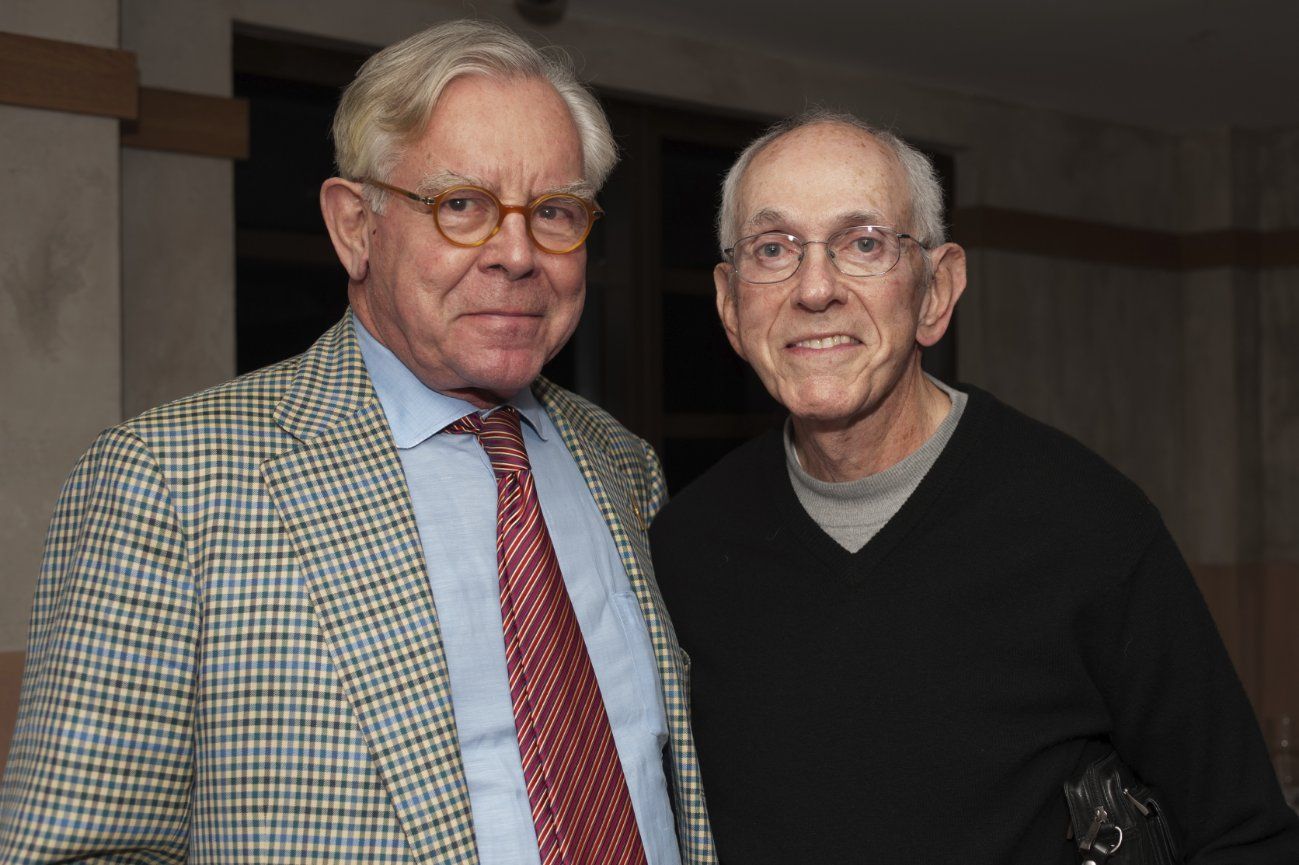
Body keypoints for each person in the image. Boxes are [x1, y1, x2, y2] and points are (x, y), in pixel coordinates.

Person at [0, 20, 714, 865]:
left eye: (554, 211)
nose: (518, 254)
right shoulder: (169, 480)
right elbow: (79, 850)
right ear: (353, 226)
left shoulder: (620, 462)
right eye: (461, 206)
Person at [649, 109, 1299, 863]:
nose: (815, 287)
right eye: (773, 249)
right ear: (731, 304)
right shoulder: (687, 546)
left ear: (934, 291)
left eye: (862, 243)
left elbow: (1245, 835)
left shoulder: (1084, 525)